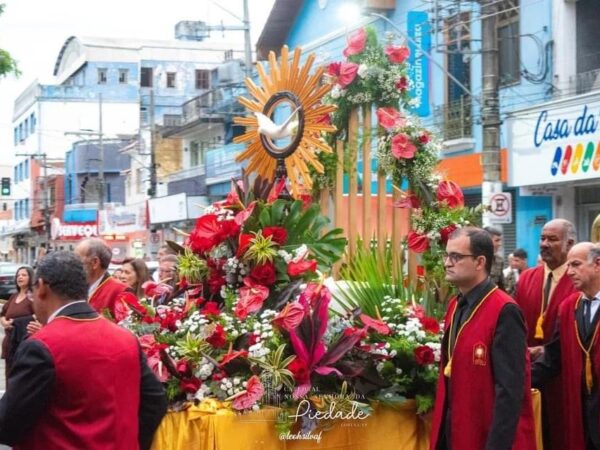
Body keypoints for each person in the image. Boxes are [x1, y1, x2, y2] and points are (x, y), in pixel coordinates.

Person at [0, 251, 167, 449]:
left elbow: (8, 424)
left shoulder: (42, 345)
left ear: (43, 287)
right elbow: (155, 401)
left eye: (32, 291)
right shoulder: (126, 338)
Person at [430, 227, 535, 450]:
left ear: (479, 262)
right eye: (446, 255)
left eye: (456, 257)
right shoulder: (455, 305)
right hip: (455, 429)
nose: (447, 263)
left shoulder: (504, 310)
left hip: (488, 435)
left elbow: (510, 391)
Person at [514, 218, 577, 450]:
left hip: (564, 377)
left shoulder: (578, 279)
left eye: (552, 239)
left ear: (569, 243)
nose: (544, 244)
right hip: (529, 374)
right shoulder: (528, 278)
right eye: (542, 238)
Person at [532, 242, 600, 450]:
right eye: (568, 266)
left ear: (597, 264)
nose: (569, 272)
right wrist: (516, 376)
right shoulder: (569, 308)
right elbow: (553, 358)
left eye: (576, 265)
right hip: (581, 412)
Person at [74, 238, 140, 321]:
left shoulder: (121, 291)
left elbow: (131, 327)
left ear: (95, 262)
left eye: (77, 259)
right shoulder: (76, 288)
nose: (73, 264)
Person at [0, 266, 34, 378]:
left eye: (24, 275)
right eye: (18, 275)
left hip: (24, 343)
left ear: (31, 278)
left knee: (21, 377)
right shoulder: (13, 297)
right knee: (9, 375)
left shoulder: (33, 297)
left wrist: (17, 322)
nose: (20, 277)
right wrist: (4, 322)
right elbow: (3, 314)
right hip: (10, 342)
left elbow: (39, 316)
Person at [484, 225, 505, 291]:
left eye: (500, 240)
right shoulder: (474, 259)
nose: (500, 244)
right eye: (497, 240)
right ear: (487, 241)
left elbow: (501, 285)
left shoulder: (499, 260)